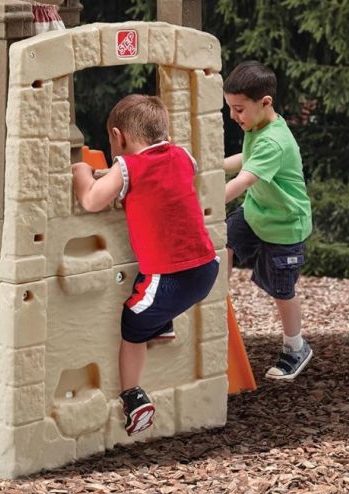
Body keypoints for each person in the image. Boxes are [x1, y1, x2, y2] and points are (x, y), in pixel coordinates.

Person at [72, 95, 219, 435]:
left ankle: (133, 396)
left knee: (132, 323)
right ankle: (163, 324)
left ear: (118, 136)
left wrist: (81, 172)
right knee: (153, 292)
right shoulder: (183, 157)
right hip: (206, 268)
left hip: (170, 277)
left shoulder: (127, 167)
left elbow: (92, 199)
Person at [223, 61, 313, 381]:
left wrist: (205, 200)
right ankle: (215, 304)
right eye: (231, 108)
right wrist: (213, 166)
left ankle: (295, 347)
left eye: (239, 109)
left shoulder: (274, 140)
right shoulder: (258, 126)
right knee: (222, 241)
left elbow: (245, 179)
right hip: (256, 212)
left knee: (281, 289)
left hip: (284, 226)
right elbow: (246, 160)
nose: (234, 117)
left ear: (265, 103)